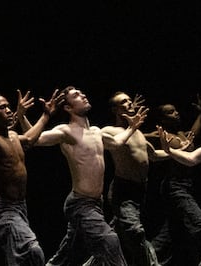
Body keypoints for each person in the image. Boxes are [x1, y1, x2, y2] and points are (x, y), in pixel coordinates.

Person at [0, 91, 58, 266]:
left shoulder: (14, 136)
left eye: (8, 106)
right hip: (3, 207)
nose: (8, 110)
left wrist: (46, 115)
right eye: (2, 107)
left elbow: (29, 138)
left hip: (19, 205)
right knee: (32, 251)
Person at [33, 86, 124, 266]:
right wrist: (43, 117)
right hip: (81, 204)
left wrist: (134, 127)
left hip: (97, 202)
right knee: (109, 240)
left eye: (82, 93)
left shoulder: (97, 131)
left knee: (69, 251)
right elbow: (33, 140)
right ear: (67, 108)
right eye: (76, 95)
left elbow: (117, 143)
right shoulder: (66, 131)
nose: (83, 95)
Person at [99, 92, 162, 266]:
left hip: (140, 190)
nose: (129, 103)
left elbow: (154, 155)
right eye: (123, 102)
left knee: (117, 234)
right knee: (135, 231)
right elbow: (106, 142)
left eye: (129, 100)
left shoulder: (139, 133)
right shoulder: (111, 131)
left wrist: (179, 153)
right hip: (123, 190)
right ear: (115, 109)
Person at [157, 115, 201, 266]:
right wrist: (169, 150)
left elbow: (193, 134)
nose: (176, 114)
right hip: (175, 185)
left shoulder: (183, 134)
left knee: (172, 232)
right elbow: (192, 159)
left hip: (187, 185)